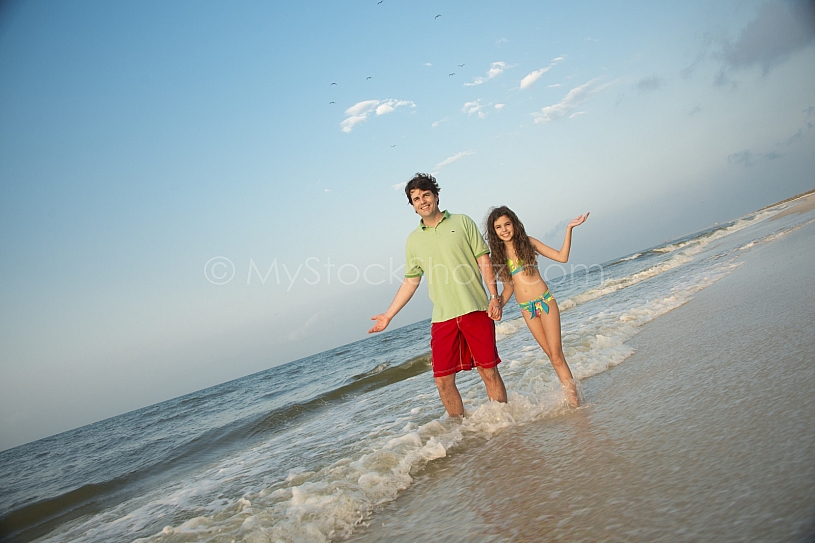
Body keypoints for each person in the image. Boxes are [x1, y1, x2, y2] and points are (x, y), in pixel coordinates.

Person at [369, 173, 507, 417]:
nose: (422, 201)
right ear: (413, 206)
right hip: (442, 317)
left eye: (426, 195)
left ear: (435, 196)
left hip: (475, 308)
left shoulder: (462, 222)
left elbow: (483, 260)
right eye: (416, 199)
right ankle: (460, 431)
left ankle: (505, 422)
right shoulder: (413, 240)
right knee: (443, 381)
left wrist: (494, 297)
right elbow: (411, 281)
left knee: (488, 371)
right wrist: (388, 315)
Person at [485, 206, 589, 407]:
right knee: (551, 356)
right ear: (494, 231)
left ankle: (575, 404)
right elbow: (509, 288)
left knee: (557, 355)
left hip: (545, 302)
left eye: (507, 224)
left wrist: (569, 229)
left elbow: (562, 257)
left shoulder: (528, 242)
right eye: (498, 227)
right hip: (527, 309)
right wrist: (497, 305)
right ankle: (574, 400)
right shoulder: (498, 257)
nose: (504, 230)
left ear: (514, 224)